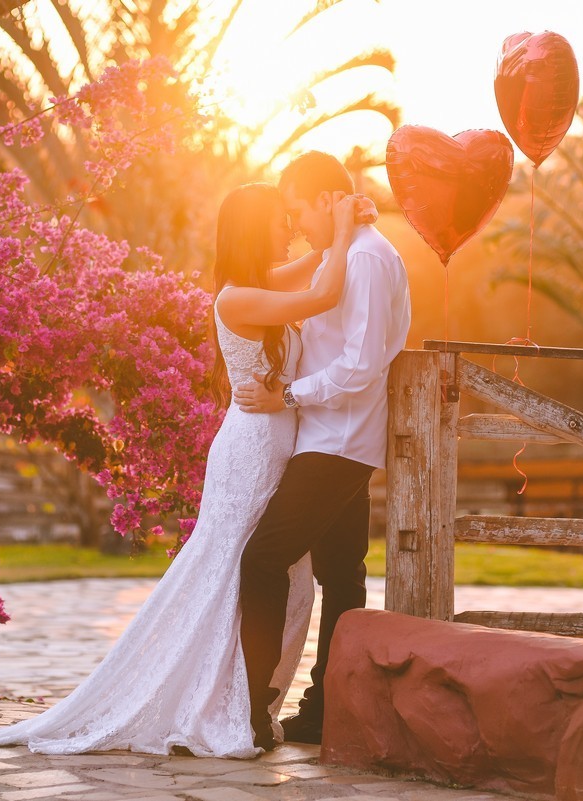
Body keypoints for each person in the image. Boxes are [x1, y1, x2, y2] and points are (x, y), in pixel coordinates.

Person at [0, 182, 372, 758]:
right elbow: (322, 294)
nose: (287, 227)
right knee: (225, 570)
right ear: (250, 228)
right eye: (276, 219)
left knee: (275, 574)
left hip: (277, 445)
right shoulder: (237, 298)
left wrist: (343, 223)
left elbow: (315, 268)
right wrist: (342, 234)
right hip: (249, 449)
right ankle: (212, 704)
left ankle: (241, 702)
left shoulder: (263, 283)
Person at [233, 151, 411, 750]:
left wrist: (289, 395)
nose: (295, 223)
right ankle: (323, 709)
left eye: (297, 210)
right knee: (342, 576)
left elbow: (361, 363)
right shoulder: (352, 251)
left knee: (263, 558)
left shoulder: (363, 257)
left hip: (336, 440)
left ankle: (254, 710)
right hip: (330, 436)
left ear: (326, 199)